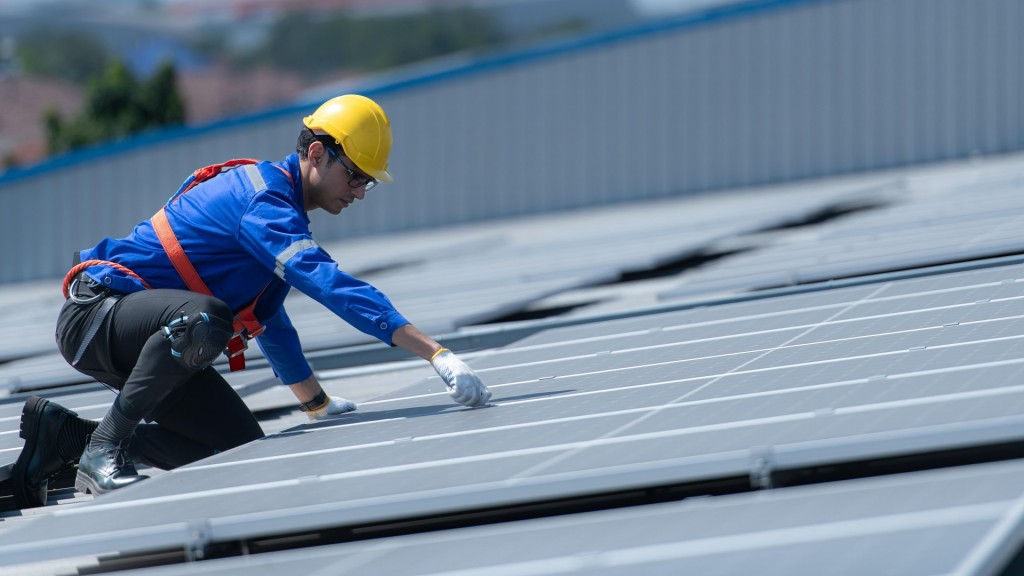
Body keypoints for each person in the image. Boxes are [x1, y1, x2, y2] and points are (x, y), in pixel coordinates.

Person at [11, 94, 491, 508]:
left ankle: (67, 439)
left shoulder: (282, 215)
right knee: (207, 319)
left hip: (152, 334)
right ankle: (104, 449)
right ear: (317, 153)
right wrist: (435, 353)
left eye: (368, 182)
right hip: (98, 315)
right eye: (355, 177)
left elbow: (271, 321)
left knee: (235, 449)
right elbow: (329, 284)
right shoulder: (263, 202)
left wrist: (317, 404)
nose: (360, 193)